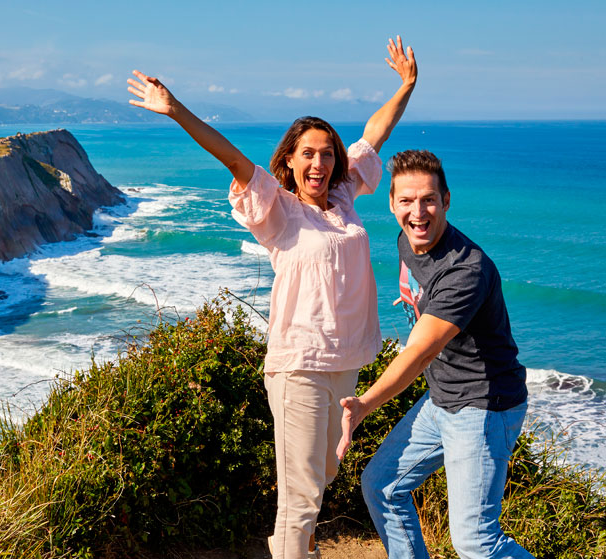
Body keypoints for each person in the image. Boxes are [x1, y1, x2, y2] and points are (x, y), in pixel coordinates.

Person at [128, 36, 416, 559]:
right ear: (290, 158)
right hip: (298, 364)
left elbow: (375, 134)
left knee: (325, 472)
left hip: (346, 362)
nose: (320, 163)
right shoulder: (278, 209)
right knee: (301, 496)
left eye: (327, 154)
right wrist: (175, 111)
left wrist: (406, 86)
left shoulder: (345, 196)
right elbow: (234, 159)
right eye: (308, 153)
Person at [337, 150, 534, 559]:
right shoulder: (408, 239)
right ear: (391, 203)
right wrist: (416, 302)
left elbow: (420, 354)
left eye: (428, 199)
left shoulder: (466, 270)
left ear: (446, 200)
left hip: (484, 406)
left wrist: (364, 405)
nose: (417, 212)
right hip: (442, 399)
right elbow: (422, 291)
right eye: (406, 201)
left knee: (476, 542)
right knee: (382, 488)